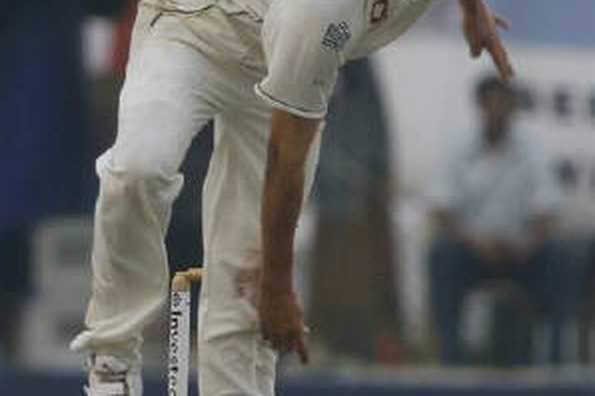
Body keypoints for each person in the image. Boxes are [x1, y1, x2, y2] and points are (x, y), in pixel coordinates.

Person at [71, 0, 513, 394]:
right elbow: (286, 155)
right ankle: (112, 357)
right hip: (192, 27)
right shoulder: (323, 13)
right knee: (139, 170)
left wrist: (472, 11)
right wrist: (279, 289)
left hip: (278, 68)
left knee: (244, 286)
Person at [428, 76, 574, 365]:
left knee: (560, 257)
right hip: (473, 250)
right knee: (441, 255)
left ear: (512, 107)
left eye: (504, 103)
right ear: (480, 106)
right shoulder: (458, 148)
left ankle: (556, 362)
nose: (498, 110)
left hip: (521, 251)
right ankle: (451, 360)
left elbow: (547, 206)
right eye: (491, 103)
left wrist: (528, 242)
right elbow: (442, 208)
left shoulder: (533, 150)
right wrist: (473, 241)